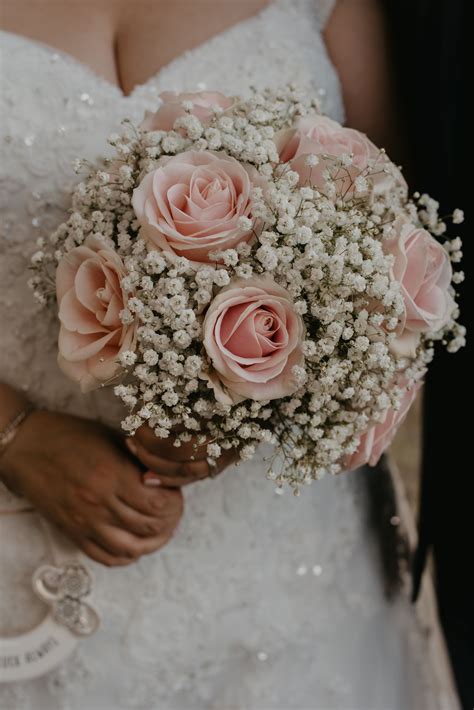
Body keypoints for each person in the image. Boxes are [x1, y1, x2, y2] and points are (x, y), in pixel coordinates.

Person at [0, 1, 460, 707]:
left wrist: (270, 402)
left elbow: (396, 246)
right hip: (30, 574)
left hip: (290, 580)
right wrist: (16, 437)